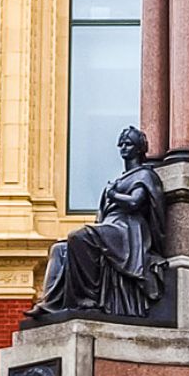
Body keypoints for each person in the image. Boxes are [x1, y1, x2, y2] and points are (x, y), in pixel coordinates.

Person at [26, 126, 168, 323]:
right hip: (110, 225)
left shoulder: (144, 175)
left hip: (127, 229)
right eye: (121, 144)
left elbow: (135, 202)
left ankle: (87, 299)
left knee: (79, 237)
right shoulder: (120, 178)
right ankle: (50, 304)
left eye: (129, 144)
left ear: (139, 149)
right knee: (59, 249)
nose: (123, 148)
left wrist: (113, 195)